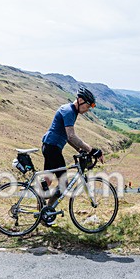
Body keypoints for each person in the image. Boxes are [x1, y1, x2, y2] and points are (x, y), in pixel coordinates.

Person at [40, 86, 104, 224]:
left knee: (48, 181)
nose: (88, 109)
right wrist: (92, 150)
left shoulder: (72, 111)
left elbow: (68, 138)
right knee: (64, 185)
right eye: (88, 105)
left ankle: (42, 213)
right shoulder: (69, 111)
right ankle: (47, 213)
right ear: (80, 100)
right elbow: (71, 136)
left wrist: (80, 150)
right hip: (53, 148)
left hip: (50, 145)